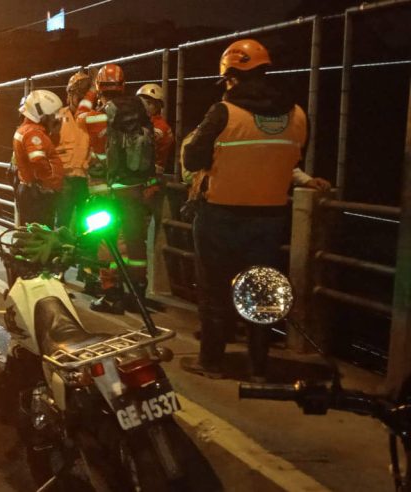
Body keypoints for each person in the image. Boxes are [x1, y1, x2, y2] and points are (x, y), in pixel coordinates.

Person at [178, 39, 311, 382]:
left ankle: (212, 362)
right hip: (270, 218)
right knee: (260, 291)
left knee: (214, 290)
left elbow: (192, 158)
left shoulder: (224, 112)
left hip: (219, 215)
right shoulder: (297, 115)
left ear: (231, 77)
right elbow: (291, 158)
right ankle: (258, 367)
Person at [79, 64, 157, 314]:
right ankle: (137, 294)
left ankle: (112, 295)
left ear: (100, 88)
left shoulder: (98, 116)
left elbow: (80, 116)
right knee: (135, 242)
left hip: (107, 190)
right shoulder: (140, 113)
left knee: (107, 239)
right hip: (135, 188)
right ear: (123, 86)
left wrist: (90, 92)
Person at [13, 89, 65, 226]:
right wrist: (49, 185)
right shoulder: (33, 134)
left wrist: (54, 133)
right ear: (41, 114)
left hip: (32, 191)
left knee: (32, 231)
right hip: (37, 194)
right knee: (40, 232)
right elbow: (38, 161)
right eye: (52, 115)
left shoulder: (28, 130)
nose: (55, 118)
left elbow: (45, 151)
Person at [54, 71, 93, 229]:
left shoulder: (93, 117)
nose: (82, 99)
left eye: (85, 95)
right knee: (62, 221)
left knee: (87, 223)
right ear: (70, 94)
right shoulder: (57, 117)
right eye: (79, 95)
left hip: (87, 180)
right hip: (65, 180)